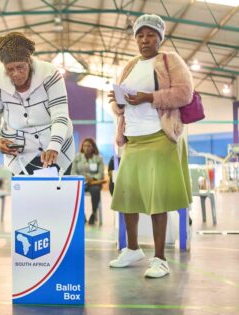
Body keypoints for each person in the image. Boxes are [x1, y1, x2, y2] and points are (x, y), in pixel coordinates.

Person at [108, 14, 192, 278]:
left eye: (150, 34)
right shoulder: (130, 65)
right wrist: (118, 102)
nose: (145, 40)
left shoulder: (170, 60)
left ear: (160, 37)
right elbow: (116, 105)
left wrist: (150, 97)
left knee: (158, 199)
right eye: (140, 35)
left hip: (159, 137)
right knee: (126, 196)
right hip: (132, 139)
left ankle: (160, 259)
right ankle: (132, 249)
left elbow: (184, 93)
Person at [0, 32, 74, 175]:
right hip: (19, 155)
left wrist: (54, 146)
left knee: (56, 195)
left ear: (29, 61)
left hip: (56, 149)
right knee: (24, 196)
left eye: (21, 67)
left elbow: (60, 114)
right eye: (10, 69)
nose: (16, 74)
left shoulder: (50, 74)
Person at [71, 138, 104, 225]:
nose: (86, 148)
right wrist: (82, 178)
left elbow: (100, 174)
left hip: (93, 183)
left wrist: (91, 178)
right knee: (76, 191)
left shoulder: (98, 159)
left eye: (89, 146)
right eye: (84, 146)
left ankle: (93, 214)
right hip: (81, 183)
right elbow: (73, 172)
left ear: (93, 147)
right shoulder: (77, 157)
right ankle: (82, 215)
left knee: (95, 190)